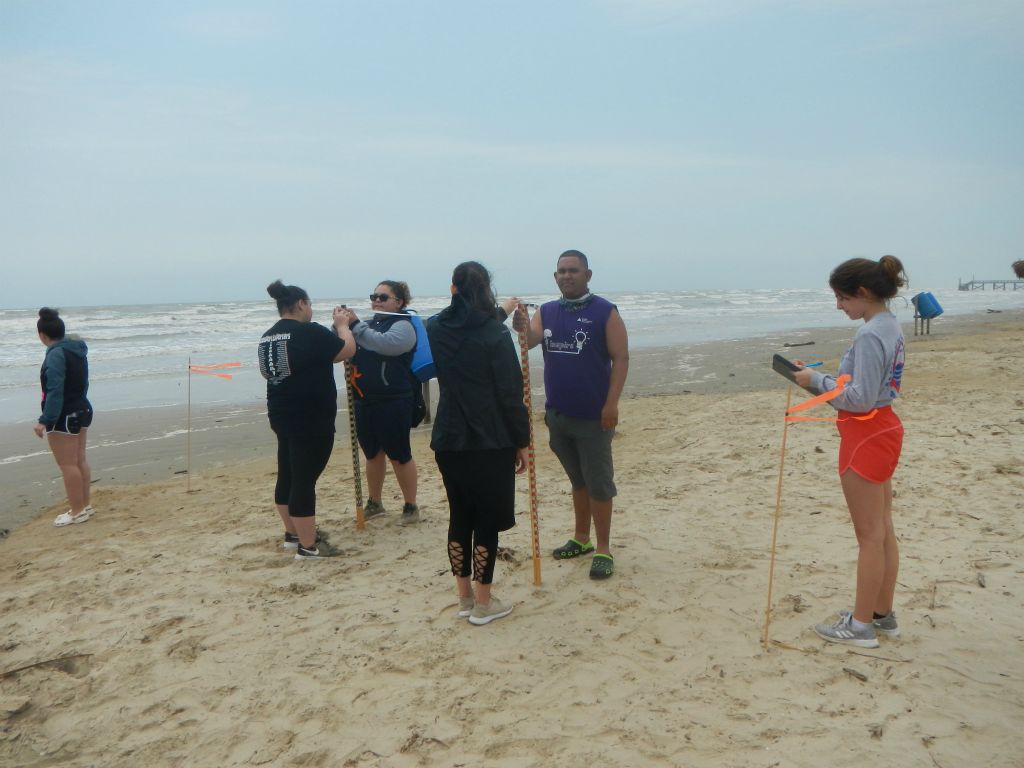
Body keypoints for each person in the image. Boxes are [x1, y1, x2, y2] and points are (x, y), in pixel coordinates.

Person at [793, 255, 908, 648]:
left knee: (870, 536)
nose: (839, 306)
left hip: (867, 433)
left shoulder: (871, 333)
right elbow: (869, 388)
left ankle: (861, 626)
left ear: (862, 293)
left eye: (842, 298)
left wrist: (815, 380)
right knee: (883, 530)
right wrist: (819, 379)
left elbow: (858, 399)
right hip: (883, 428)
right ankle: (881, 614)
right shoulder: (888, 325)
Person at [514, 250, 629, 580]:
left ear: (587, 275)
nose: (567, 276)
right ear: (555, 277)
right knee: (578, 481)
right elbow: (530, 340)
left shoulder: (605, 311)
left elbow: (621, 358)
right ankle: (582, 539)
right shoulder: (548, 312)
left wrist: (612, 404)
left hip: (594, 416)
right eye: (562, 271)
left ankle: (604, 548)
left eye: (573, 271)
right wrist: (520, 325)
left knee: (599, 485)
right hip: (558, 415)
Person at [428, 262, 530, 625]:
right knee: (486, 521)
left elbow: (464, 329)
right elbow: (510, 393)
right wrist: (523, 440)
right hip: (490, 439)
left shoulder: (435, 327)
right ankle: (485, 603)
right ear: (487, 290)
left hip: (450, 438)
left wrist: (498, 314)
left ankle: (465, 598)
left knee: (460, 516)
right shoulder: (494, 334)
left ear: (453, 288)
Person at [258, 280, 355, 560]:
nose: (311, 309)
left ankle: (293, 534)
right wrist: (343, 327)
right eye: (309, 304)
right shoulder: (308, 331)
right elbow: (346, 350)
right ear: (301, 304)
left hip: (281, 412)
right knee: (303, 479)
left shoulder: (267, 336)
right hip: (310, 415)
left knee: (288, 473)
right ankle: (308, 546)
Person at [338, 281, 420, 525]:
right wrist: (341, 327)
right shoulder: (369, 324)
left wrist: (354, 325)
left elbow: (384, 344)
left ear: (399, 302)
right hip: (364, 399)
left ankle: (411, 505)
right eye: (374, 296)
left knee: (399, 454)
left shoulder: (404, 325)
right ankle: (375, 502)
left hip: (394, 400)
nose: (377, 300)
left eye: (383, 297)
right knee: (372, 453)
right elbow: (346, 347)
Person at [34, 308, 95, 527]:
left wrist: (45, 419)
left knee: (68, 464)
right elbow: (82, 383)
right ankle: (84, 506)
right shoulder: (76, 350)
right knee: (79, 460)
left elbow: (55, 390)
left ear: (42, 335)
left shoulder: (56, 354)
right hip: (83, 408)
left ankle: (77, 511)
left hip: (65, 415)